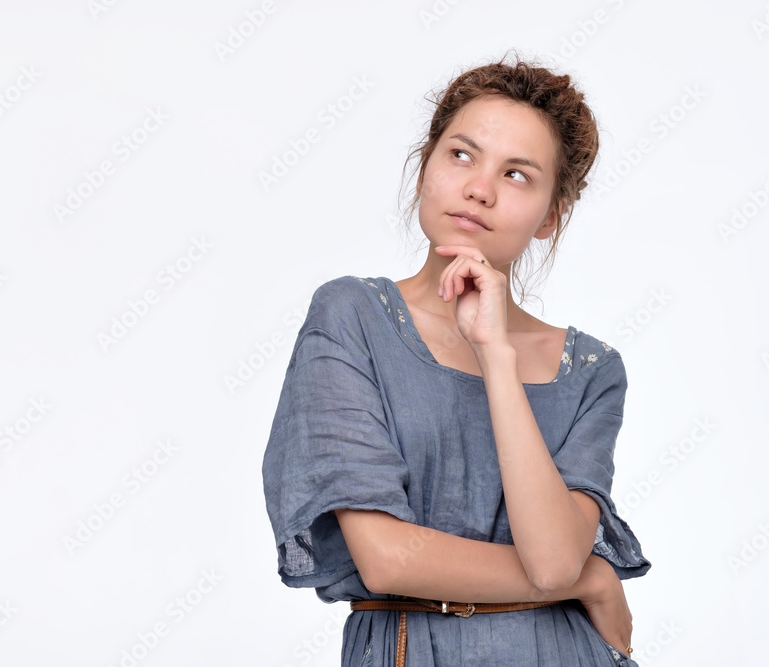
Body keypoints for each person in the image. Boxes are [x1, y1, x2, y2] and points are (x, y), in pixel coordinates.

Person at [262, 51, 651, 666]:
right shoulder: (353, 317)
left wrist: (496, 354)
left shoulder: (590, 372)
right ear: (425, 167)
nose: (479, 189)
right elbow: (386, 558)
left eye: (516, 174)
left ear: (550, 216)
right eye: (462, 155)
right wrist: (594, 579)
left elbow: (554, 561)